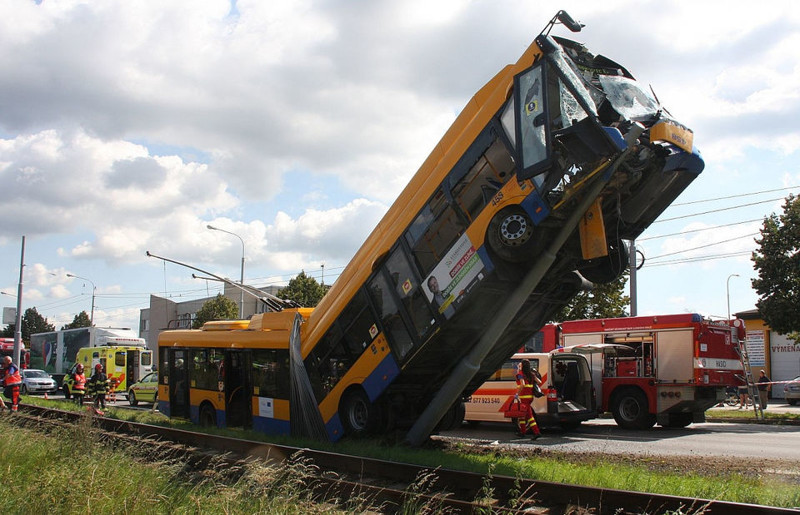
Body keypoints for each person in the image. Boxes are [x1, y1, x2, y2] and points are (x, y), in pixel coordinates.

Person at [514, 359, 542, 440]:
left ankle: (537, 432)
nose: (519, 365)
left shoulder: (520, 374)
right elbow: (539, 382)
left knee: (529, 416)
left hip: (523, 398)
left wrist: (517, 394)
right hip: (530, 397)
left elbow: (522, 384)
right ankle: (522, 432)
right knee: (522, 415)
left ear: (522, 366)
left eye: (520, 364)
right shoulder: (531, 374)